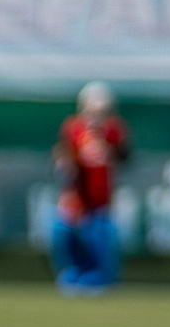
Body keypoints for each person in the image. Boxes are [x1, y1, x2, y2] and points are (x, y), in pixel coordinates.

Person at [51, 83, 132, 295]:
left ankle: (99, 278)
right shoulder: (73, 127)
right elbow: (62, 155)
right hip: (77, 195)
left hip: (101, 195)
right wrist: (66, 164)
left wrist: (112, 150)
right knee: (65, 231)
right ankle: (73, 273)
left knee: (99, 235)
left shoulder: (113, 129)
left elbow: (125, 155)